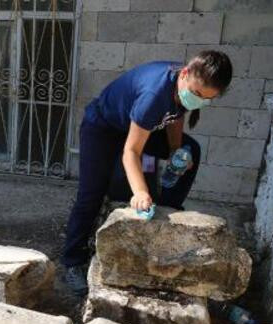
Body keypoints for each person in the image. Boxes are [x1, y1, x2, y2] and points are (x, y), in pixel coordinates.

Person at [62, 50, 233, 296]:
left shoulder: (182, 86)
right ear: (184, 74)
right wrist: (140, 192)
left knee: (189, 150)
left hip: (135, 127)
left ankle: (165, 212)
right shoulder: (154, 95)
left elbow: (176, 114)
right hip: (103, 129)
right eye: (196, 94)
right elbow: (131, 151)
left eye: (206, 99)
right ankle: (72, 261)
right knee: (91, 194)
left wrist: (175, 150)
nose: (197, 101)